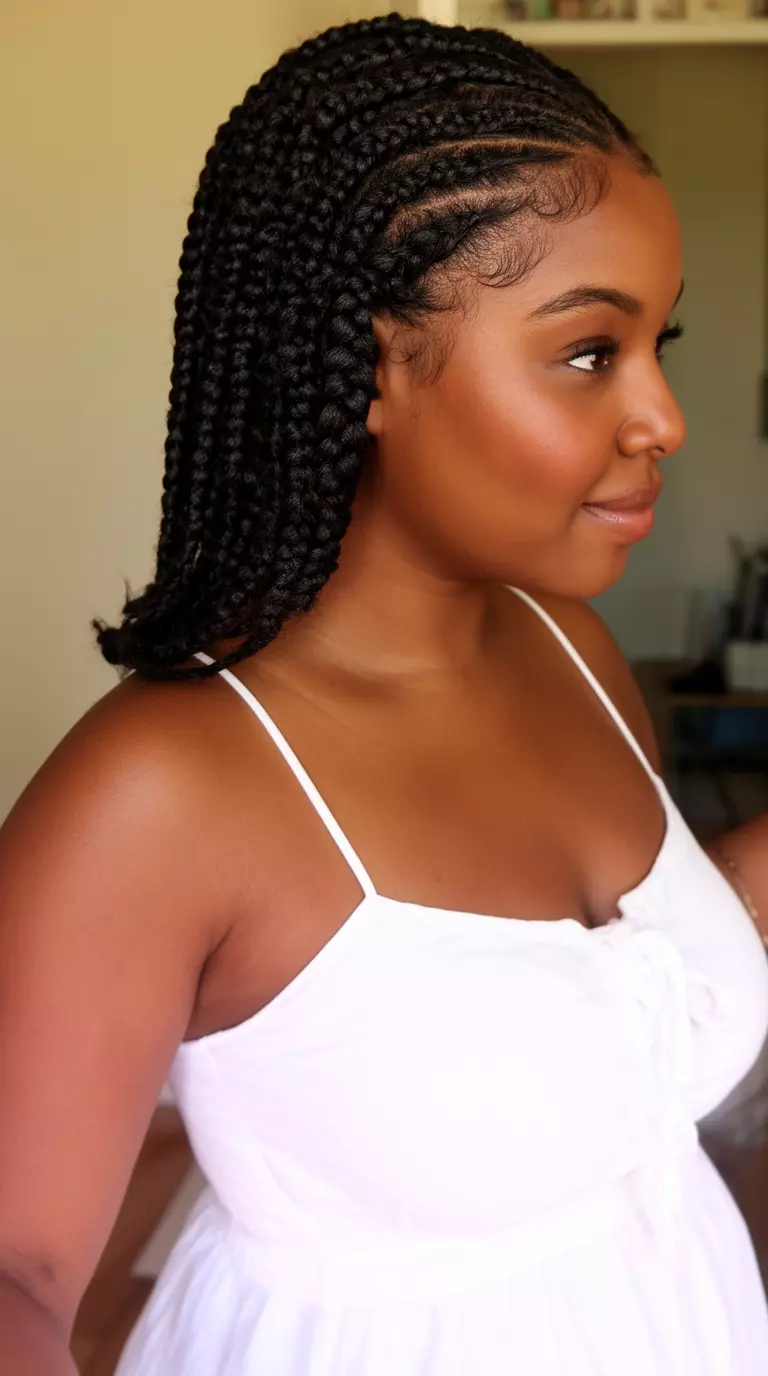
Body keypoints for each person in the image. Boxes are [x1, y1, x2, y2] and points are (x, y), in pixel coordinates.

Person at [1, 12, 767, 1374]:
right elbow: (19, 1279)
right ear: (364, 365)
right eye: (591, 352)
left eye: (661, 345)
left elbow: (613, 988)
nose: (662, 418)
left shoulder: (567, 653)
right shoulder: (162, 792)